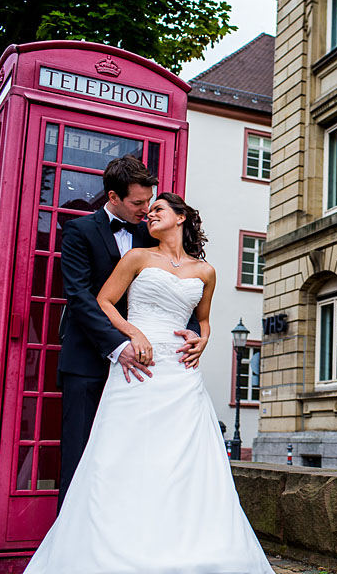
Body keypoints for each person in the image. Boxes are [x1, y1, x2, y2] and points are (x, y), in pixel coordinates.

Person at [25, 193, 274, 573]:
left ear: (181, 217)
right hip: (137, 367)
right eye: (147, 208)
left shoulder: (205, 271)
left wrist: (204, 339)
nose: (149, 215)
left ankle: (182, 545)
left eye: (158, 209)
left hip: (181, 373)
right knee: (123, 457)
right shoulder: (137, 257)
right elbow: (104, 301)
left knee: (182, 461)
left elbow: (202, 318)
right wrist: (130, 335)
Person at [56, 155, 201, 509]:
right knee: (80, 459)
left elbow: (181, 288)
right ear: (113, 196)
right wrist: (119, 345)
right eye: (138, 202)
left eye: (150, 202)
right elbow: (80, 297)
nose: (146, 209)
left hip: (150, 367)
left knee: (138, 459)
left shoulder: (150, 232)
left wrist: (194, 334)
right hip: (90, 361)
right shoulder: (79, 231)